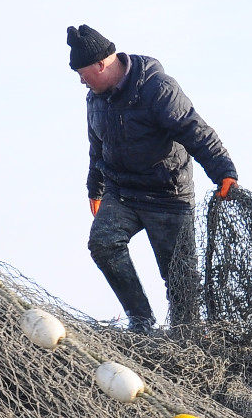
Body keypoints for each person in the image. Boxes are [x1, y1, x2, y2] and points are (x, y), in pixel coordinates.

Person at [70, 24, 238, 333]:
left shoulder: (157, 88)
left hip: (168, 195)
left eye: (83, 73)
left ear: (101, 64)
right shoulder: (94, 99)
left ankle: (188, 341)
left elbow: (194, 130)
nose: (81, 80)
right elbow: (98, 147)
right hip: (122, 191)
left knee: (181, 282)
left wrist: (223, 171)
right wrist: (96, 187)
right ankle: (141, 322)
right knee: (103, 243)